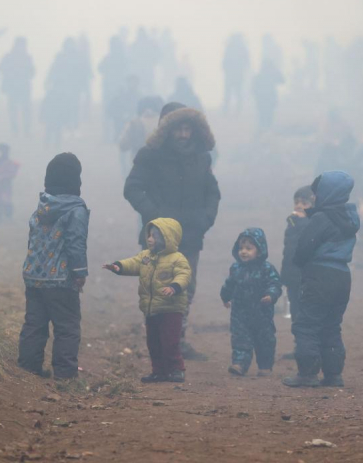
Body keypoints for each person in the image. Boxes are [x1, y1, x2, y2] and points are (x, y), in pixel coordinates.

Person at [124, 104, 221, 360]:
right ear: (166, 128)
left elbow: (212, 191)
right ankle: (160, 345)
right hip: (156, 239)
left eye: (188, 128)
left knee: (185, 289)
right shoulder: (150, 155)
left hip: (190, 235)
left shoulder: (202, 156)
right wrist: (154, 217)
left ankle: (177, 342)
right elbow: (132, 188)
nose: (183, 134)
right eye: (178, 128)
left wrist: (206, 218)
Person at [283, 171, 360, 388]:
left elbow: (306, 246)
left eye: (317, 193)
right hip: (343, 276)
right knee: (331, 326)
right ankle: (333, 375)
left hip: (320, 276)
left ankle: (307, 374)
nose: (314, 197)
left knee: (307, 325)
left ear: (328, 193)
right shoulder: (348, 218)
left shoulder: (321, 218)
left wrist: (299, 263)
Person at [18, 153, 90, 379]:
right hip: (61, 280)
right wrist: (79, 272)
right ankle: (65, 375)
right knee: (67, 327)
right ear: (76, 181)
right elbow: (75, 243)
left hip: (34, 277)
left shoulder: (41, 208)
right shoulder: (75, 210)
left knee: (34, 324)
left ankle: (28, 369)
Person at [103, 218, 191, 383]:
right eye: (149, 235)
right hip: (151, 310)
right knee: (154, 343)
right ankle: (159, 371)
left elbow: (184, 275)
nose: (149, 239)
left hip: (171, 309)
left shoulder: (177, 258)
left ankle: (176, 369)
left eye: (155, 236)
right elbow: (133, 263)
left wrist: (174, 287)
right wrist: (118, 266)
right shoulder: (146, 257)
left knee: (170, 341)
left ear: (168, 238)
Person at [221, 228, 282, 377]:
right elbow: (229, 284)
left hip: (262, 312)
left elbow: (274, 284)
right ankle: (240, 364)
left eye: (249, 248)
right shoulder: (236, 268)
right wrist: (225, 297)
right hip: (240, 313)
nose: (244, 252)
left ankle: (265, 366)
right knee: (240, 338)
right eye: (241, 248)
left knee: (265, 340)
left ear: (259, 250)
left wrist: (270, 296)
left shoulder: (267, 268)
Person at [280, 186, 315, 324]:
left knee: (307, 311)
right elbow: (287, 252)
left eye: (304, 203)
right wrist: (285, 276)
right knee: (295, 311)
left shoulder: (313, 224)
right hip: (293, 276)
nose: (299, 206)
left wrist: (299, 222)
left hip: (307, 278)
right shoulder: (292, 223)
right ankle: (299, 341)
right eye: (296, 202)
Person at [0, 37, 36, 135]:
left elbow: (32, 72)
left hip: (24, 86)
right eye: (20, 45)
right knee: (12, 109)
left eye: (23, 45)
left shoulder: (27, 57)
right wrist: (12, 73)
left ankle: (26, 129)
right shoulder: (8, 57)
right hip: (13, 87)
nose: (22, 47)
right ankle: (14, 128)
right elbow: (2, 68)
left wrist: (24, 74)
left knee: (26, 109)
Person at [118, 95, 161, 177]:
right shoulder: (163, 122)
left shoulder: (134, 123)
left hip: (138, 167)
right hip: (160, 167)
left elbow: (123, 145)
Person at [0, 143, 20, 220]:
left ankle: (7, 214)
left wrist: (3, 178)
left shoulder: (9, 163)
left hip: (4, 185)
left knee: (5, 200)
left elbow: (12, 173)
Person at [252, 58, 284, 132]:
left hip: (263, 100)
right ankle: (265, 132)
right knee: (267, 117)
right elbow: (282, 80)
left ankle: (263, 132)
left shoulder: (259, 76)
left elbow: (282, 80)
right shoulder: (267, 76)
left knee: (263, 117)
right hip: (268, 100)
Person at [222, 33, 250, 114]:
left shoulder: (230, 47)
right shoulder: (242, 47)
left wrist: (226, 70)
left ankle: (226, 110)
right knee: (238, 93)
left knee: (228, 93)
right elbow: (247, 61)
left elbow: (224, 61)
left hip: (230, 74)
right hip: (238, 74)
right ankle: (237, 110)